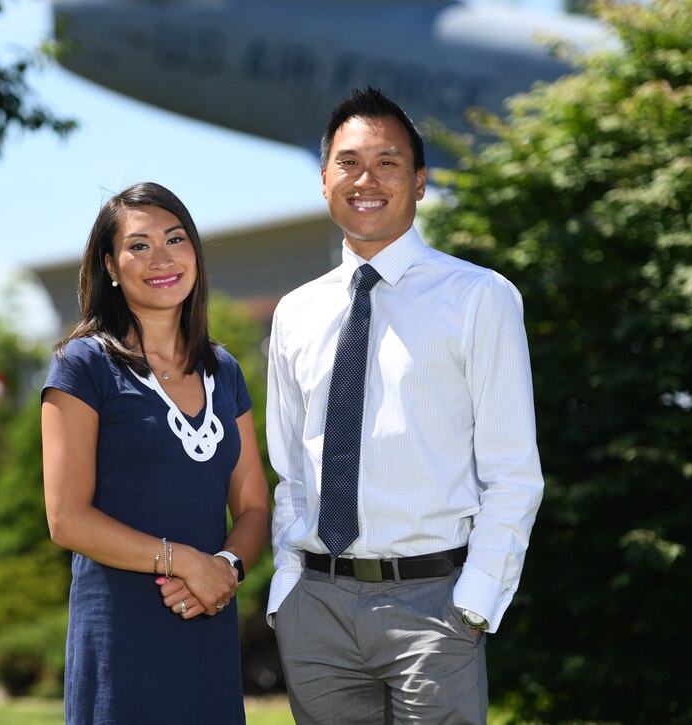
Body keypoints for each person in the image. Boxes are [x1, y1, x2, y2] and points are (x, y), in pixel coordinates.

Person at [266, 86, 544, 723]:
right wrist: (288, 589)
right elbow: (291, 472)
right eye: (349, 162)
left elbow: (513, 472)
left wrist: (474, 602)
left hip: (434, 607)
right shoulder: (295, 312)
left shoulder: (480, 297)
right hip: (316, 613)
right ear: (324, 179)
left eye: (388, 163)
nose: (367, 179)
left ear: (420, 182)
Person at [42, 181, 271, 724]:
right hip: (121, 637)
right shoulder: (82, 365)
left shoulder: (225, 371)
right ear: (111, 266)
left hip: (207, 623)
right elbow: (66, 519)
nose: (161, 258)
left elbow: (256, 508)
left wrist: (225, 569)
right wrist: (182, 560)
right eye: (139, 245)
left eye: (175, 239)